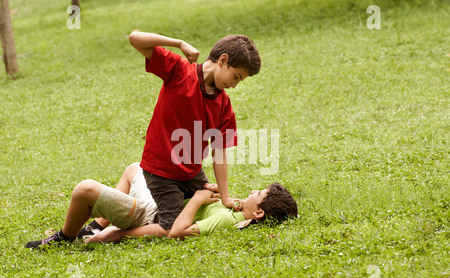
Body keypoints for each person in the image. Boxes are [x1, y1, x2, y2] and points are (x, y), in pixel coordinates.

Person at [128, 31, 261, 233]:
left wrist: (225, 196)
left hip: (192, 173)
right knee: (171, 228)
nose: (234, 85)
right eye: (236, 77)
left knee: (210, 204)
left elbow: (219, 151)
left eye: (239, 81)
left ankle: (107, 220)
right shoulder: (179, 70)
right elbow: (135, 38)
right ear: (223, 60)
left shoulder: (224, 105)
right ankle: (114, 234)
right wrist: (179, 43)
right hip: (161, 171)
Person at [25, 163, 298, 248]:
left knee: (85, 189)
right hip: (159, 202)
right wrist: (208, 192)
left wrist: (117, 235)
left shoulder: (226, 222)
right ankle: (95, 224)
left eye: (258, 193)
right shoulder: (235, 211)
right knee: (136, 168)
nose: (253, 190)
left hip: (148, 215)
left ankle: (64, 238)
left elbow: (174, 231)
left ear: (259, 211)